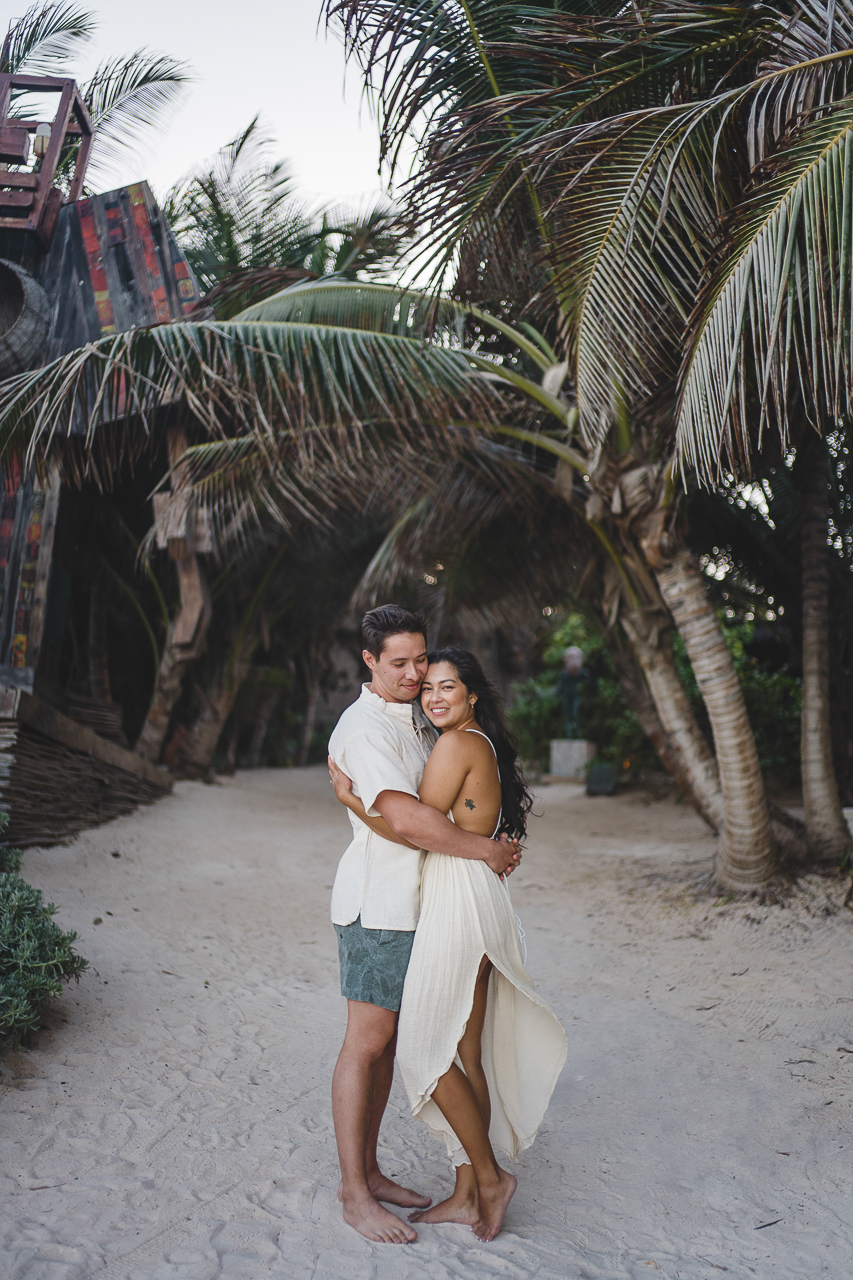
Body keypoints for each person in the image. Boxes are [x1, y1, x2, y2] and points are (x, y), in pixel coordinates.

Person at [331, 647, 567, 1242]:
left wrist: (351, 799)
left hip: (459, 899)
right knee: (465, 1049)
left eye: (447, 687)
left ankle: (487, 1179)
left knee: (424, 1053)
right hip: (474, 891)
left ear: (472, 696)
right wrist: (488, 847)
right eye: (427, 687)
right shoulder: (476, 742)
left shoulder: (457, 744)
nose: (433, 696)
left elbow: (415, 828)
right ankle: (466, 1192)